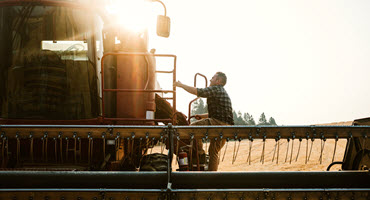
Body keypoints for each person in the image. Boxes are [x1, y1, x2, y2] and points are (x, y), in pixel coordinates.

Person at [174, 72, 234, 171]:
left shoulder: (216, 89)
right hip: (226, 126)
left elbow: (199, 91)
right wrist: (202, 116)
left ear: (218, 81)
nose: (210, 79)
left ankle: (199, 153)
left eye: (213, 78)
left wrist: (181, 85)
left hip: (218, 123)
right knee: (213, 152)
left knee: (193, 127)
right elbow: (221, 114)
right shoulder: (222, 92)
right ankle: (211, 178)